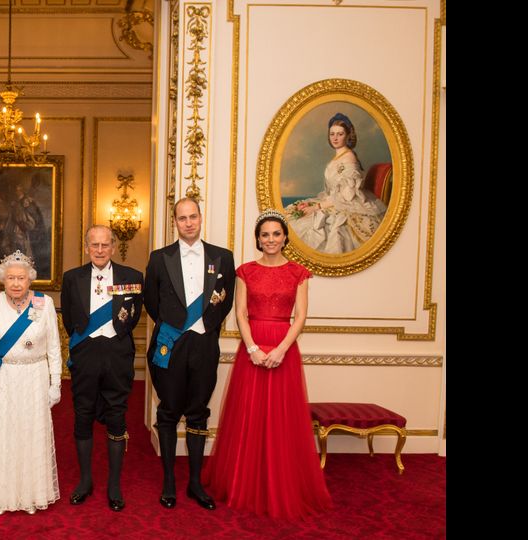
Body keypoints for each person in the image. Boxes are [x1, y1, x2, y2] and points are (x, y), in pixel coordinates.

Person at [206, 209, 332, 518]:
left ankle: (280, 483)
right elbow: (241, 314)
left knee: (281, 418)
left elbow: (301, 317)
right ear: (258, 240)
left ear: (285, 237)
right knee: (249, 416)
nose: (271, 239)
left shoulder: (298, 273)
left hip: (283, 347)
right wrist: (251, 348)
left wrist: (281, 350)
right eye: (265, 235)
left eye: (276, 234)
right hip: (253, 348)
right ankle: (245, 483)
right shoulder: (245, 271)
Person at [143, 197, 235, 510]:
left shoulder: (223, 257)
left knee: (198, 411)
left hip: (204, 344)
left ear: (200, 217)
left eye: (193, 216)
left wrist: (203, 327)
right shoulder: (159, 258)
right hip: (171, 342)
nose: (188, 223)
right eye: (182, 218)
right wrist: (176, 326)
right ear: (175, 222)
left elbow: (226, 302)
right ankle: (169, 480)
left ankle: (195, 482)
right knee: (168, 411)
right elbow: (152, 302)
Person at [60, 225, 143, 511]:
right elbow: (69, 320)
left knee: (117, 418)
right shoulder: (72, 279)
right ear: (86, 247)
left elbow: (132, 318)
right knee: (82, 416)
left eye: (104, 245)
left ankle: (114, 485)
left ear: (112, 246)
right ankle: (85, 481)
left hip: (118, 355)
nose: (99, 250)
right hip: (85, 356)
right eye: (94, 245)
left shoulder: (132, 278)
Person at [0, 250, 62, 514]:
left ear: (30, 280)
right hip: (2, 379)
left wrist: (55, 382)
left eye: (20, 278)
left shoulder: (43, 303)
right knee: (3, 434)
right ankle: (2, 495)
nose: (15, 283)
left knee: (32, 432)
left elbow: (54, 347)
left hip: (34, 376)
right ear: (2, 279)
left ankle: (32, 494)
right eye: (10, 278)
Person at [284, 113, 388, 254]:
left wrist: (318, 207)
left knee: (313, 228)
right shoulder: (339, 156)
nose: (335, 138)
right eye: (332, 134)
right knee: (292, 217)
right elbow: (332, 191)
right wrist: (316, 204)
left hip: (347, 206)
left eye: (340, 134)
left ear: (347, 136)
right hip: (333, 201)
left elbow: (346, 195)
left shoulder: (349, 158)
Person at [1, 183, 45, 263]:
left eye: (19, 190)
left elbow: (32, 219)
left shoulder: (27, 202)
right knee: (12, 248)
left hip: (23, 231)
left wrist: (22, 223)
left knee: (23, 249)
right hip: (15, 231)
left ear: (22, 191)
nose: (17, 192)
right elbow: (10, 218)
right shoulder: (14, 203)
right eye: (16, 191)